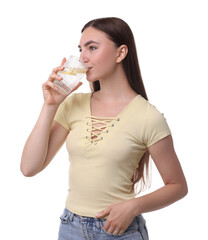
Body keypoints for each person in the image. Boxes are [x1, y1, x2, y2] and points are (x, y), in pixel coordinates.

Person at [20, 17, 188, 240]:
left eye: (92, 48)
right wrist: (50, 105)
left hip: (120, 230)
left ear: (120, 53)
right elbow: (29, 168)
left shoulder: (148, 117)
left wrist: (133, 206)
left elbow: (177, 186)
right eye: (81, 49)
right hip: (71, 227)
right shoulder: (72, 104)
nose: (82, 57)